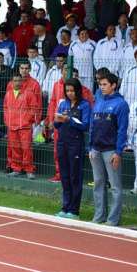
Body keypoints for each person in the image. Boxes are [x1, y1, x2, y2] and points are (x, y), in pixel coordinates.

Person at [89, 73, 129, 226]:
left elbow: (122, 130)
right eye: (100, 84)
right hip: (96, 150)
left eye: (105, 84)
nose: (101, 87)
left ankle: (112, 220)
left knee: (115, 186)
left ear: (113, 85)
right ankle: (99, 217)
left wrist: (118, 152)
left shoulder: (121, 104)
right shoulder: (98, 101)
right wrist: (91, 147)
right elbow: (93, 126)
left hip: (111, 151)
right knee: (98, 183)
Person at [53, 78, 92, 219]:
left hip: (75, 143)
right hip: (62, 142)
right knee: (64, 176)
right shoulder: (63, 104)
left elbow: (85, 125)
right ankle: (65, 206)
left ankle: (74, 210)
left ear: (78, 90)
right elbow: (56, 125)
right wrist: (57, 120)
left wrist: (70, 120)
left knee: (75, 176)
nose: (69, 93)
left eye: (72, 90)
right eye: (67, 91)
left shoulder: (85, 105)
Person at [4, 73, 39, 179]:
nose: (17, 83)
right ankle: (16, 169)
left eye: (19, 80)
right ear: (11, 82)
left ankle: (29, 170)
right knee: (15, 149)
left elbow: (34, 108)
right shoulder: (8, 94)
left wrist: (27, 120)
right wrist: (7, 121)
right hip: (12, 126)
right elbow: (5, 109)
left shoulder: (29, 93)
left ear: (22, 82)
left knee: (26, 149)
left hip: (24, 126)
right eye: (15, 81)